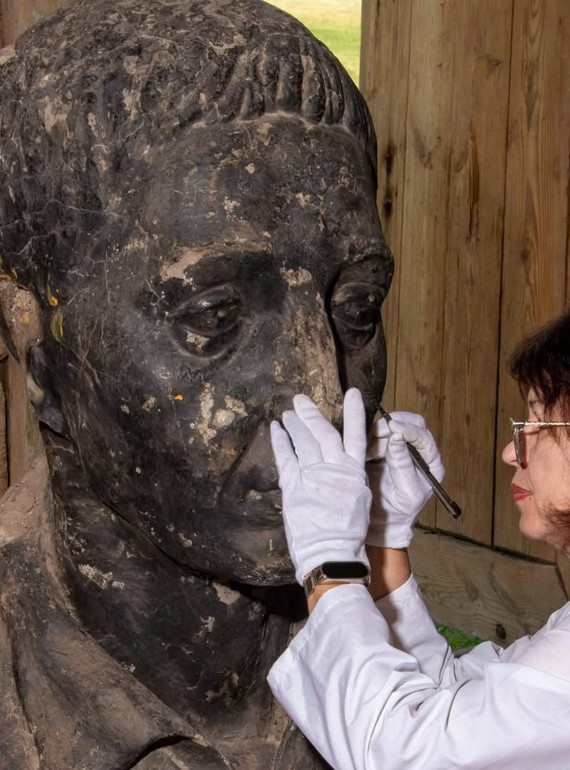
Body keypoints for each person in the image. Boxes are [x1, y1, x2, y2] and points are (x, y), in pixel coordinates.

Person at [0, 0, 391, 767]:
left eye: (357, 306)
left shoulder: (376, 644)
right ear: (38, 347)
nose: (319, 394)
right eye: (214, 316)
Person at [268, 293, 570, 769]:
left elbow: (414, 756)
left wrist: (328, 562)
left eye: (537, 424)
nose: (513, 451)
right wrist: (383, 537)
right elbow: (461, 704)